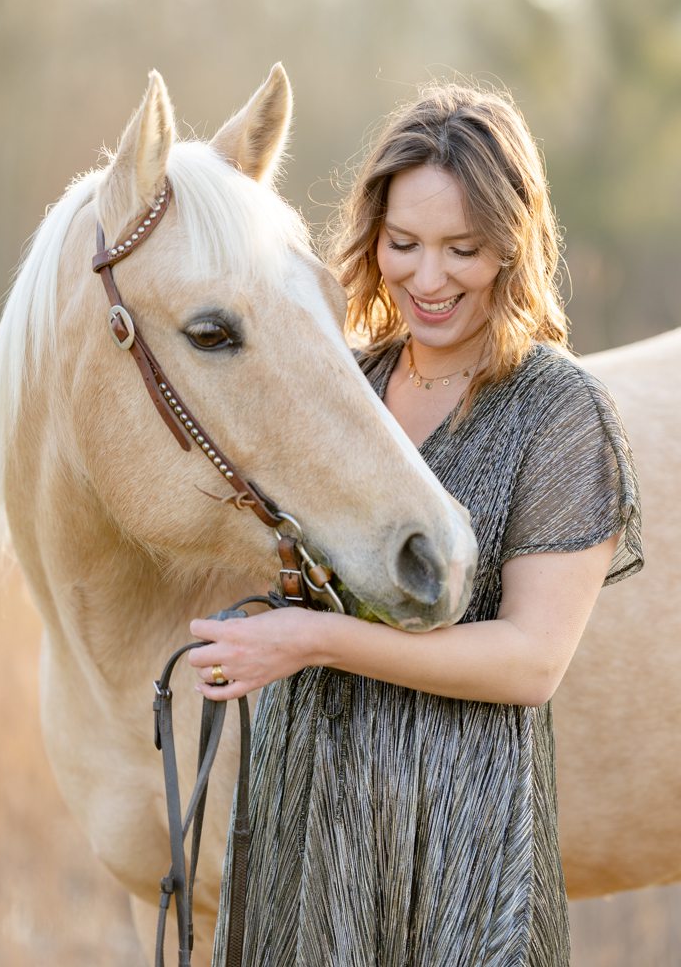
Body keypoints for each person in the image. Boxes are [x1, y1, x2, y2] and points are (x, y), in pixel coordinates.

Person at [188, 82, 643, 966]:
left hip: (462, 843)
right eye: (403, 244)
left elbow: (529, 662)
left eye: (462, 250)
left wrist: (314, 641)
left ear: (513, 248)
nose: (427, 280)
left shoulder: (560, 416)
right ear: (372, 238)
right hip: (307, 830)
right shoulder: (335, 389)